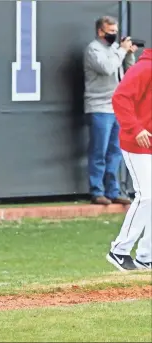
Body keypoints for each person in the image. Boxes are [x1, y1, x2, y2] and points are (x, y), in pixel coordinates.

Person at [106, 48, 152, 271]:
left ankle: (146, 255)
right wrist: (135, 128)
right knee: (146, 195)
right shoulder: (145, 67)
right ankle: (119, 250)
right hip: (137, 143)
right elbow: (120, 97)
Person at [84, 16, 137, 205]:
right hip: (99, 106)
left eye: (116, 31)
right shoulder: (93, 49)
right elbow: (107, 68)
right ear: (100, 31)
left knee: (115, 151)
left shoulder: (116, 50)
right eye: (110, 31)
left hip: (117, 108)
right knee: (99, 150)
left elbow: (130, 73)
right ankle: (97, 191)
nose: (114, 35)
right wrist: (121, 50)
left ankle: (113, 191)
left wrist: (128, 54)